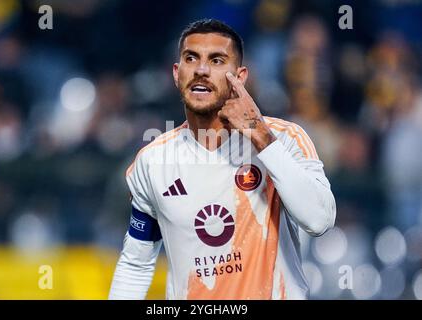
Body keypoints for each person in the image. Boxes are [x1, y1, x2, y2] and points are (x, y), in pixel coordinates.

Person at [108, 19, 336, 300]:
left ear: (239, 77)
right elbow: (135, 264)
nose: (202, 70)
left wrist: (261, 136)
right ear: (177, 74)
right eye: (192, 59)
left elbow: (319, 220)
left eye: (217, 61)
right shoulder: (152, 161)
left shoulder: (286, 138)